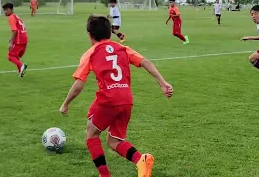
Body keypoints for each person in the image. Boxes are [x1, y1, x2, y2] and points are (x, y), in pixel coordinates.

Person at [59, 15, 173, 177]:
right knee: (114, 141)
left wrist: (65, 104)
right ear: (109, 33)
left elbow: (79, 84)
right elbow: (145, 62)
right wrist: (163, 83)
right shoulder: (122, 48)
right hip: (126, 99)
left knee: (91, 134)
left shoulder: (90, 53)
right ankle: (142, 160)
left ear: (89, 35)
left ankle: (104, 175)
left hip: (107, 99)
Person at [2, 3, 28, 77]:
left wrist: (11, 43)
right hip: (24, 38)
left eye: (6, 10)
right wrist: (11, 38)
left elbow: (14, 30)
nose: (5, 12)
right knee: (15, 55)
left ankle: (22, 65)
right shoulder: (16, 16)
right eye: (4, 10)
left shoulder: (11, 17)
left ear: (10, 9)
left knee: (10, 56)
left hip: (19, 39)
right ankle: (21, 72)